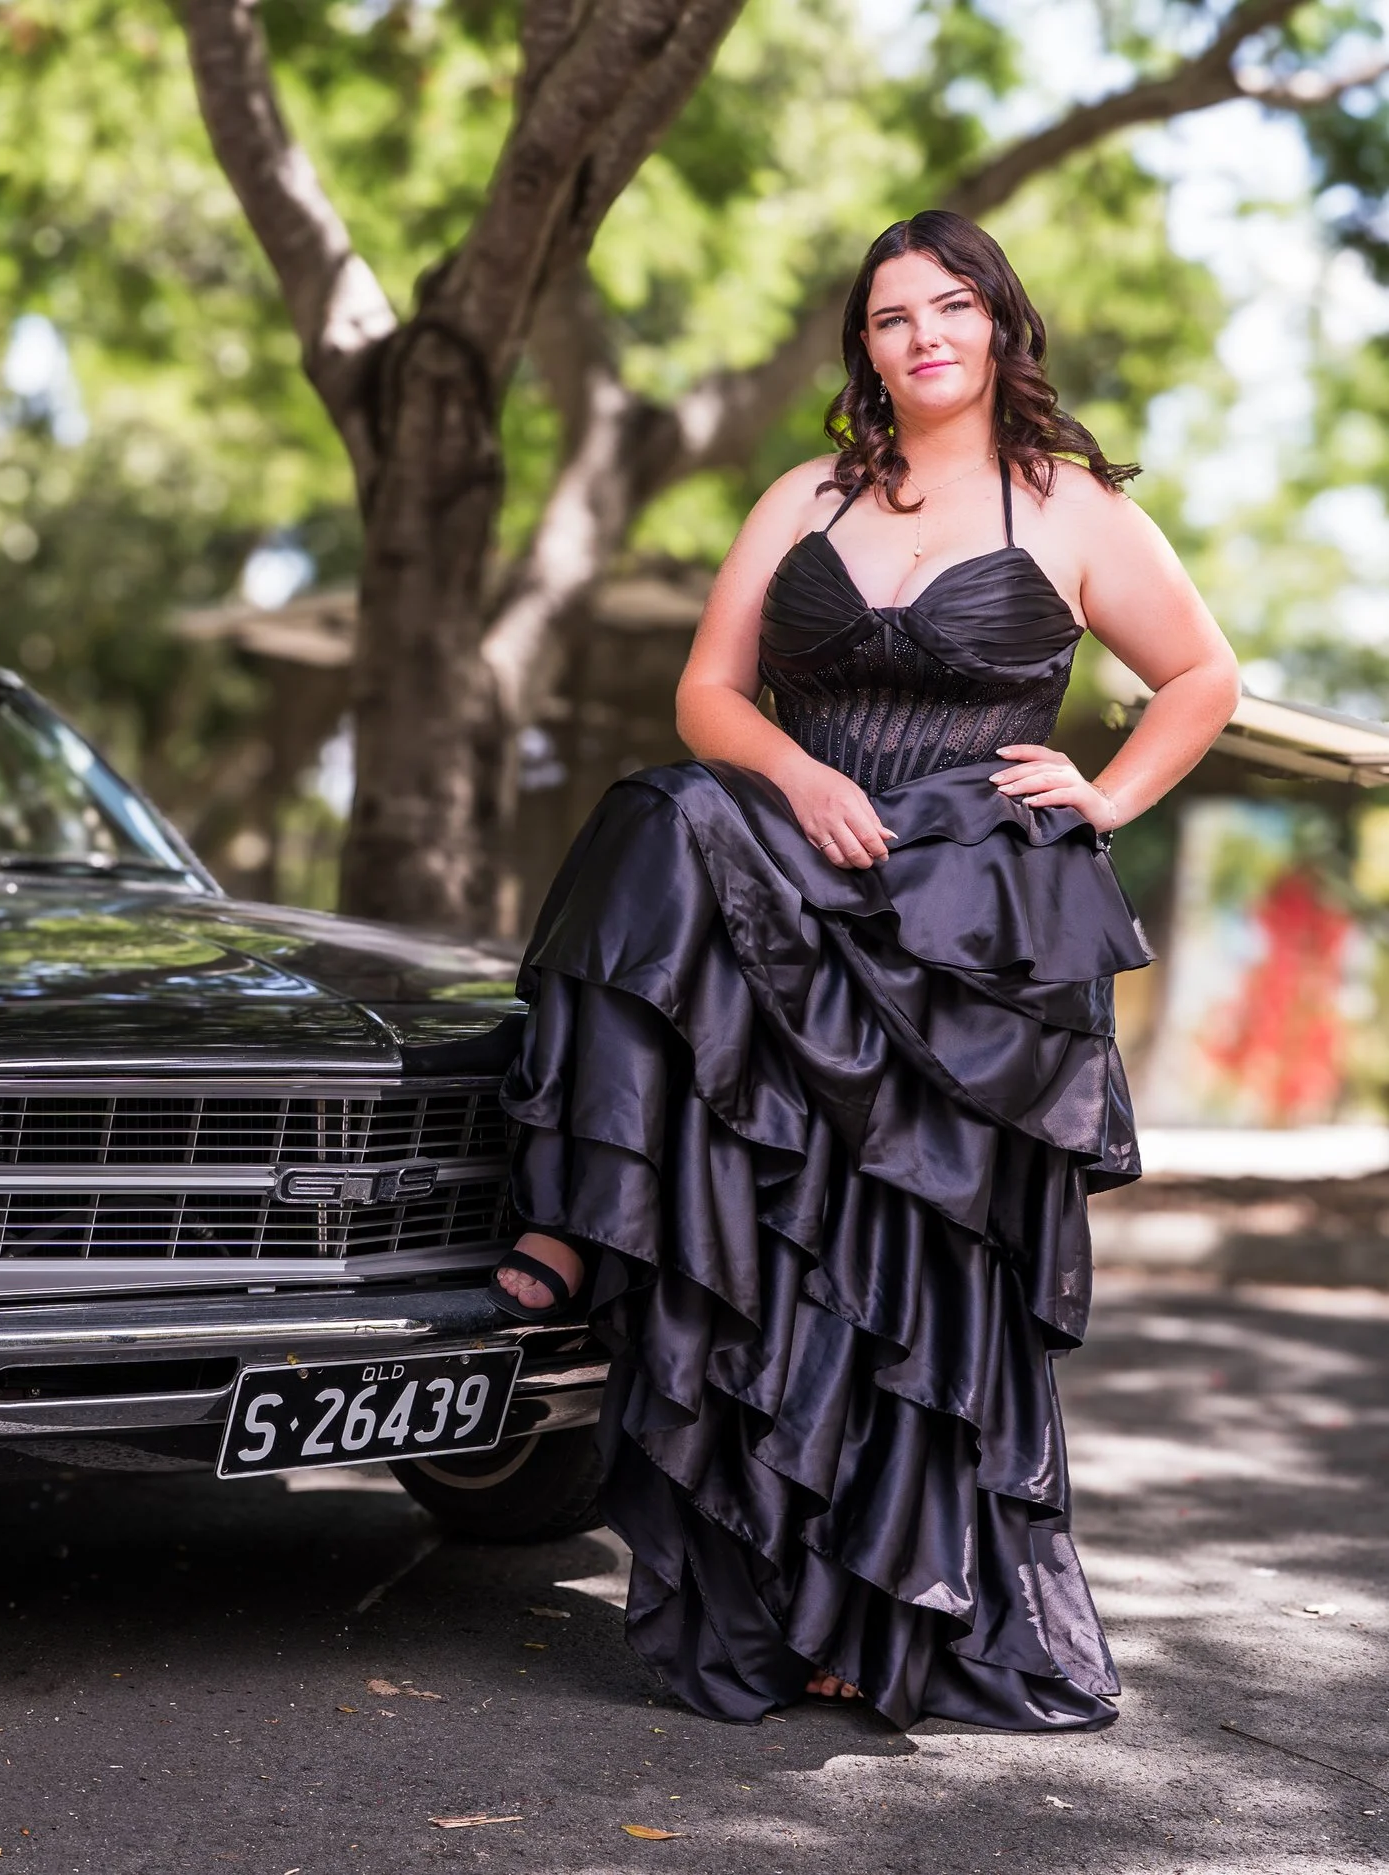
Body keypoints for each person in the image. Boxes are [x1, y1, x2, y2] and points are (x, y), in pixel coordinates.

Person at [490, 209, 1238, 1729]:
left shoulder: (1073, 509)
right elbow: (708, 692)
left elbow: (1203, 675)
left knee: (905, 1262)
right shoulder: (804, 496)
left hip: (975, 909)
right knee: (664, 816)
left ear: (1001, 326)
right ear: (866, 349)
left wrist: (1108, 795)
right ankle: (577, 1218)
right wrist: (799, 777)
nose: (924, 336)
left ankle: (888, 1612)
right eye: (893, 317)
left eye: (951, 307)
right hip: (807, 861)